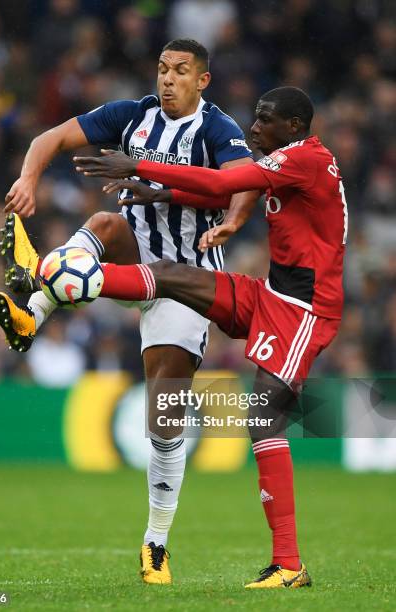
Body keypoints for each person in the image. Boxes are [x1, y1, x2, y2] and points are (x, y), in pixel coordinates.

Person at [55, 85, 347, 588]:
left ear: (295, 126)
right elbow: (233, 189)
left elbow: (221, 183)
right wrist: (164, 195)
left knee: (264, 420)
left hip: (305, 311)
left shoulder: (305, 160)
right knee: (171, 275)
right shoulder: (291, 158)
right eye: (255, 117)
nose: (254, 127)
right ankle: (67, 276)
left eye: (265, 120)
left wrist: (142, 168)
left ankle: (290, 564)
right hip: (270, 294)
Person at [0, 38, 257, 584]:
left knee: (164, 414)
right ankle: (33, 312)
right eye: (162, 68)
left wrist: (224, 218)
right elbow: (52, 136)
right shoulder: (133, 116)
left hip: (188, 281)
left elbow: (242, 185)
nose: (167, 79)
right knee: (107, 223)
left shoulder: (217, 129)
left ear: (202, 81)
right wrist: (28, 177)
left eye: (180, 71)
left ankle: (156, 542)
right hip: (132, 254)